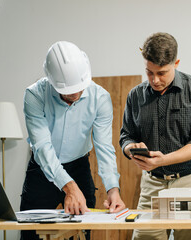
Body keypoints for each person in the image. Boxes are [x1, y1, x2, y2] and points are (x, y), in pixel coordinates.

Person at [21, 41, 125, 240]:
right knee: (30, 234)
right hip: (41, 169)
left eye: (80, 88)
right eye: (68, 91)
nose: (75, 94)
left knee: (81, 234)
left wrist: (113, 189)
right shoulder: (34, 95)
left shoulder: (100, 98)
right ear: (51, 81)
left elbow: (104, 147)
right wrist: (69, 186)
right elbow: (42, 147)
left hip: (78, 166)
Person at [119, 32, 191, 240]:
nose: (155, 79)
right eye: (149, 72)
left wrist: (164, 159)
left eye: (162, 73)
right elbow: (125, 136)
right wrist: (131, 150)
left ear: (176, 63)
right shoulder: (135, 95)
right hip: (153, 183)